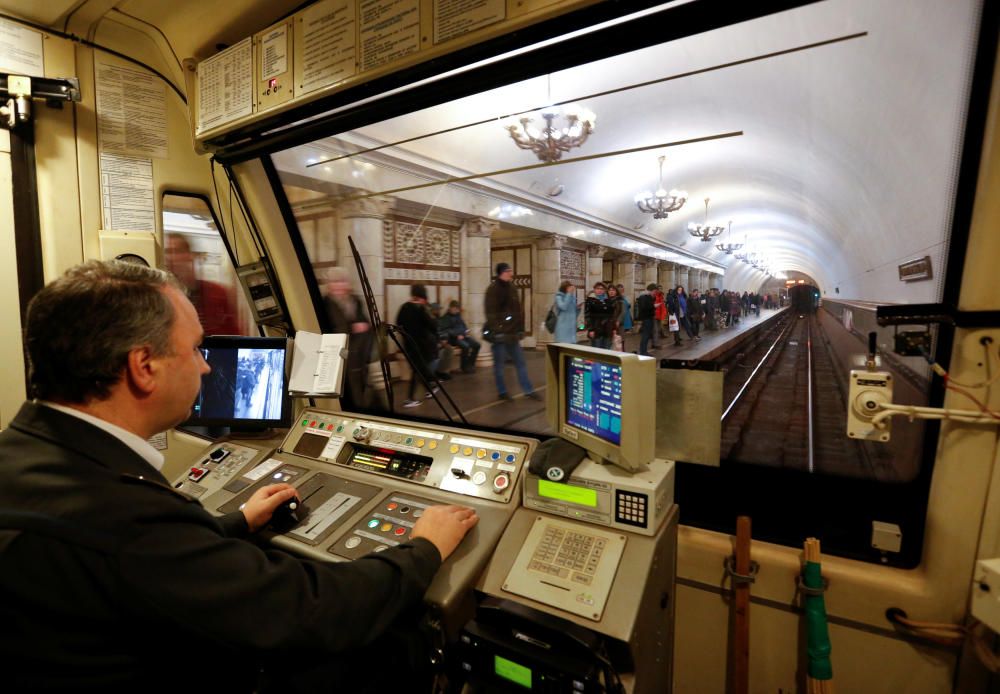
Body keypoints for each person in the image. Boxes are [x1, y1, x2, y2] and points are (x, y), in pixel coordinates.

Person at [0, 260, 478, 692]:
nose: (206, 366)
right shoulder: (124, 517)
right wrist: (423, 548)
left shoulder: (23, 453)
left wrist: (235, 524)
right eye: (195, 349)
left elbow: (153, 563)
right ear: (143, 367)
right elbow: (308, 610)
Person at [164, 233, 241, 336]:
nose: (171, 257)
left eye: (177, 251)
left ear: (189, 255)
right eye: (168, 252)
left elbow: (234, 333)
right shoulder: (164, 294)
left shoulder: (218, 292)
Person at [484, 263, 538, 401]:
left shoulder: (512, 288)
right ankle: (502, 391)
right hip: (500, 335)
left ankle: (528, 390)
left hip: (512, 334)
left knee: (520, 363)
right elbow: (490, 313)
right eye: (508, 271)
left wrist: (520, 328)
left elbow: (518, 310)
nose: (511, 273)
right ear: (501, 273)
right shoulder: (493, 289)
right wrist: (498, 330)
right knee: (500, 366)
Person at [323, 266, 375, 410]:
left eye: (342, 281)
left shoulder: (356, 301)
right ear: (329, 285)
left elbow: (366, 324)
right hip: (339, 358)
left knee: (361, 392)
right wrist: (352, 329)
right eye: (335, 282)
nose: (339, 285)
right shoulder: (325, 304)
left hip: (359, 356)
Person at [395, 284, 440, 407]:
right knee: (418, 370)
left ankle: (430, 388)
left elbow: (398, 325)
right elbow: (433, 326)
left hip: (408, 345)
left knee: (418, 370)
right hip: (421, 346)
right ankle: (411, 398)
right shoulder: (421, 309)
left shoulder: (404, 307)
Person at [439, 300, 480, 373]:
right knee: (466, 346)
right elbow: (446, 330)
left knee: (477, 345)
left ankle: (470, 364)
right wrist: (457, 335)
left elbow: (463, 325)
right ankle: (464, 367)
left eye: (457, 309)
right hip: (454, 338)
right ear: (451, 308)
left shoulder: (458, 315)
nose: (457, 311)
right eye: (455, 309)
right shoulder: (446, 317)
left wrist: (466, 331)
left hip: (463, 336)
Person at [584, 282, 615, 350]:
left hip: (607, 330)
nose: (600, 290)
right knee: (596, 351)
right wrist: (590, 329)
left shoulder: (608, 301)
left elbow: (612, 316)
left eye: (602, 289)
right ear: (594, 290)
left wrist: (613, 328)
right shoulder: (590, 300)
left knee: (607, 351)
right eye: (598, 288)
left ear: (604, 290)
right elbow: (587, 316)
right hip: (596, 329)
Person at [634, 283, 656, 356]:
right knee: (645, 336)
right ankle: (643, 352)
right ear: (651, 290)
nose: (655, 293)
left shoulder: (648, 297)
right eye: (654, 291)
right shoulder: (644, 297)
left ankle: (644, 351)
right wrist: (653, 306)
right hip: (646, 319)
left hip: (649, 318)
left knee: (646, 336)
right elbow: (644, 308)